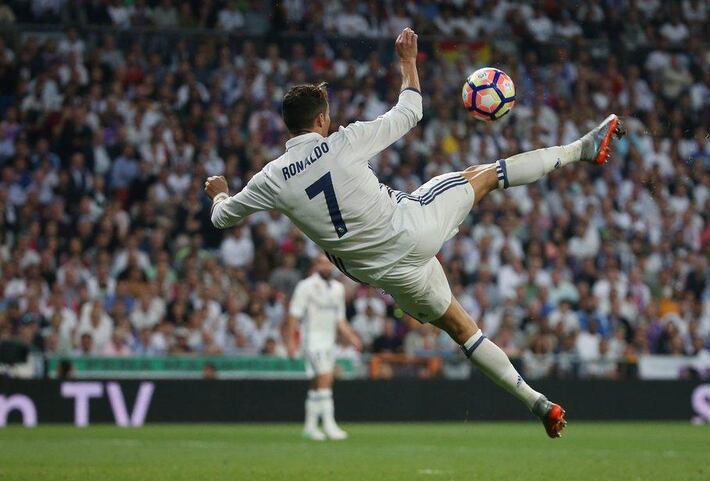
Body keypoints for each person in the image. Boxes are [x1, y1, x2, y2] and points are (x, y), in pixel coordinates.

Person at [205, 27, 624, 438]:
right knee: (483, 176)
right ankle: (581, 149)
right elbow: (410, 111)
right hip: (412, 227)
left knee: (464, 332)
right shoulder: (344, 141)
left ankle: (538, 403)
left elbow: (222, 218)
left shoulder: (271, 179)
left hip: (387, 275)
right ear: (321, 119)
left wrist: (221, 194)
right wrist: (408, 63)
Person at [284, 254, 361, 441]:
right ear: (316, 266)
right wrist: (290, 342)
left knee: (316, 383)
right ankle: (329, 424)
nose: (326, 267)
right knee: (326, 378)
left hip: (329, 341)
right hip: (312, 340)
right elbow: (294, 315)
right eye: (322, 263)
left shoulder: (338, 289)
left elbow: (340, 319)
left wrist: (351, 336)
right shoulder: (306, 286)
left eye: (329, 263)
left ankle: (310, 427)